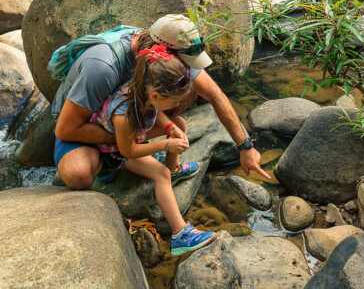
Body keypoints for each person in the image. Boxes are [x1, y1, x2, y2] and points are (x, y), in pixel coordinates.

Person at [53, 14, 270, 189]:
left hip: (125, 118)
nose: (187, 67)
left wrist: (246, 147)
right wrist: (124, 140)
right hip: (86, 124)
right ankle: (116, 161)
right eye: (184, 62)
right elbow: (65, 130)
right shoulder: (102, 67)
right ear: (163, 52)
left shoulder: (168, 52)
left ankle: (129, 158)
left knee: (186, 92)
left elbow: (214, 95)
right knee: (78, 175)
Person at [89, 44, 214, 255]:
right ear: (156, 96)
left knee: (180, 124)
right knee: (160, 174)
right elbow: (127, 150)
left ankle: (174, 169)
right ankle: (180, 234)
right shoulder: (123, 114)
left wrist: (169, 127)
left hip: (134, 135)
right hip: (114, 152)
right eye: (175, 100)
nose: (178, 104)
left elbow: (157, 112)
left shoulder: (145, 89)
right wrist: (165, 144)